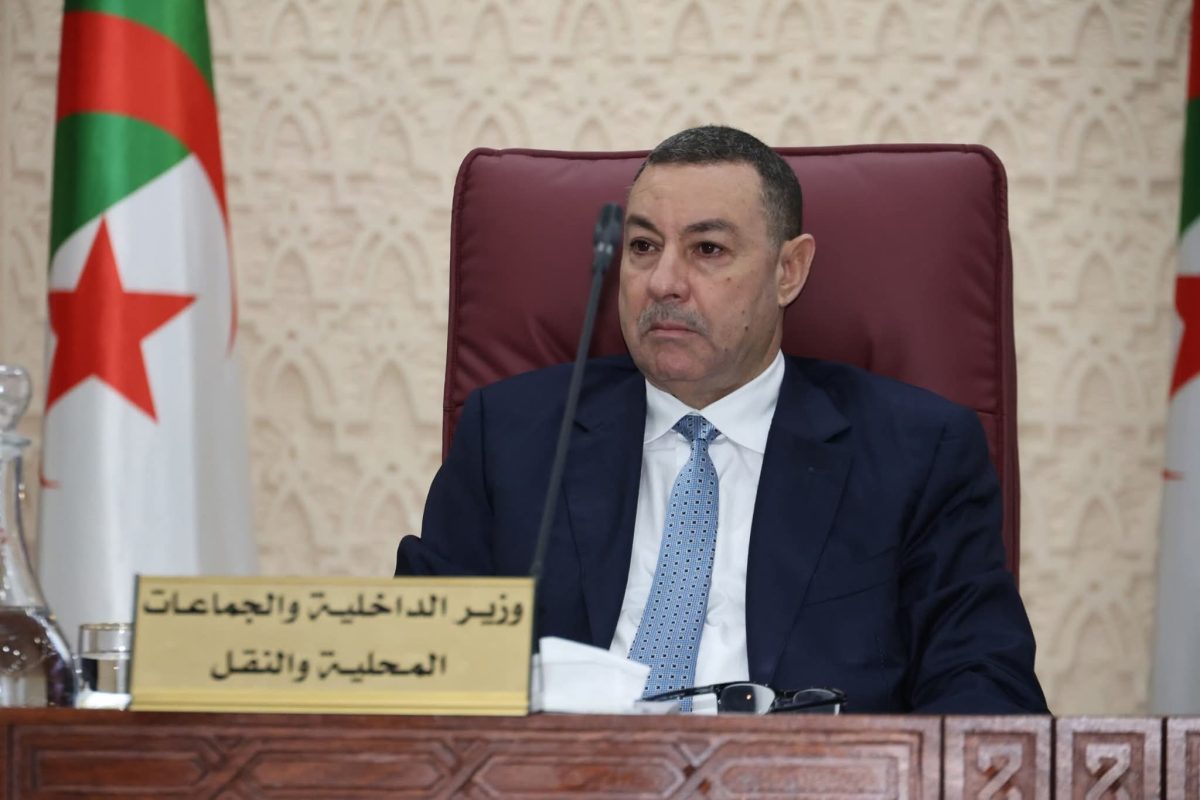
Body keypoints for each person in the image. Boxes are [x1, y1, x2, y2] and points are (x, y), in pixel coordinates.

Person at [396, 125, 1048, 714]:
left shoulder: (918, 453)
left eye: (707, 248)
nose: (663, 282)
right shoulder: (512, 436)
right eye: (643, 246)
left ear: (789, 271)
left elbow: (986, 692)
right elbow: (414, 671)